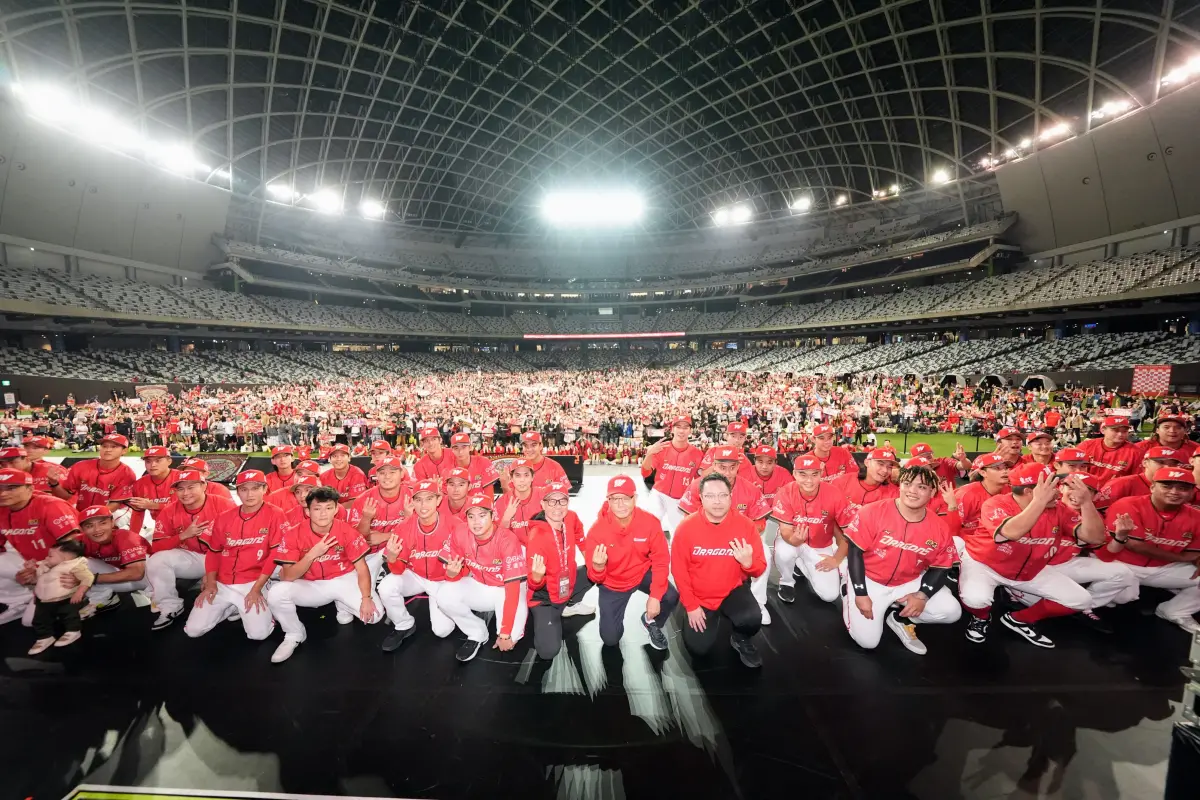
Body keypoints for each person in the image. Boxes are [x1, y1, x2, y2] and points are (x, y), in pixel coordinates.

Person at [959, 464, 1106, 648]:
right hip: (984, 564)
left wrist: (1087, 503)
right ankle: (981, 618)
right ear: (1031, 491)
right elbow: (1011, 532)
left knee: (1080, 600)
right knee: (976, 599)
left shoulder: (1058, 508)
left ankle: (1019, 619)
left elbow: (1096, 538)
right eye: (1052, 487)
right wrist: (1039, 502)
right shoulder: (997, 503)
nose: (1059, 492)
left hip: (1029, 569)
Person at [842, 464, 961, 655]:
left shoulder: (939, 527)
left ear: (933, 493)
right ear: (900, 486)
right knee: (868, 642)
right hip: (870, 579)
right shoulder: (872, 511)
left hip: (908, 580)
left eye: (921, 487)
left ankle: (901, 619)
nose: (912, 491)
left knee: (951, 611)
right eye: (907, 484)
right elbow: (854, 553)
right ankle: (847, 592)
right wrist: (860, 593)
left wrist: (922, 595)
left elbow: (941, 567)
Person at [1005, 474, 1137, 633]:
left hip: (1065, 564)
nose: (1078, 494)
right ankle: (1018, 602)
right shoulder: (1040, 508)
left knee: (1124, 575)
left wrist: (1121, 537)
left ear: (1094, 496)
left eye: (1087, 491)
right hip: (1034, 568)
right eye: (1071, 487)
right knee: (1036, 601)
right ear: (1060, 488)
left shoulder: (1093, 519)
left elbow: (1105, 556)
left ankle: (1084, 608)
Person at [267, 486, 383, 663]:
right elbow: (288, 576)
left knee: (375, 616)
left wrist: (366, 598)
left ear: (336, 509)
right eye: (317, 509)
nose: (323, 514)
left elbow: (361, 568)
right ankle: (294, 634)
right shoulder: (293, 534)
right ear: (307, 511)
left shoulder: (346, 531)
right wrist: (312, 554)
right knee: (277, 593)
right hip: (311, 585)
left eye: (329, 508)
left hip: (343, 579)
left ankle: (342, 604)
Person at [670, 473, 766, 668]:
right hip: (700, 596)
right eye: (710, 496)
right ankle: (696, 616)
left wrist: (748, 564)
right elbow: (679, 571)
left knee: (752, 618)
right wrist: (691, 606)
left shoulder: (746, 526)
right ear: (701, 498)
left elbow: (758, 569)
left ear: (731, 497)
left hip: (732, 590)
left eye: (723, 495)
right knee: (698, 649)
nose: (717, 502)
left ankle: (740, 639)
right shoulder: (686, 528)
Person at [184, 470, 284, 642]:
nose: (249, 494)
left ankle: (266, 611)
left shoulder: (275, 514)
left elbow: (274, 555)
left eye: (255, 488)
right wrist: (210, 582)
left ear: (265, 489)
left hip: (253, 580)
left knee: (258, 634)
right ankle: (231, 607)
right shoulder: (224, 517)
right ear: (237, 491)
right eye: (244, 489)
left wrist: (256, 589)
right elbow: (213, 552)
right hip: (223, 582)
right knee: (193, 630)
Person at [1101, 466, 1200, 633]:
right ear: (1152, 487)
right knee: (1121, 599)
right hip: (1123, 566)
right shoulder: (1128, 504)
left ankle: (1175, 611)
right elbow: (1134, 545)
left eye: (1183, 488)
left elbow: (1196, 552)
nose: (1174, 492)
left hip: (1164, 568)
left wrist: (1197, 558)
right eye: (1167, 486)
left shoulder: (1196, 517)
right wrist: (1185, 558)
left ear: (1192, 493)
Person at [678, 448, 771, 622]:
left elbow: (761, 522)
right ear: (713, 466)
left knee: (764, 553)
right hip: (707, 540)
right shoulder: (698, 485)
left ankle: (758, 601)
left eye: (732, 467)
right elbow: (687, 520)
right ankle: (692, 594)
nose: (727, 472)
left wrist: (741, 533)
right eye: (722, 467)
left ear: (738, 466)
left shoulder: (750, 489)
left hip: (741, 542)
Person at [584, 475, 677, 650]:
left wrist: (655, 596)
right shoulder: (597, 531)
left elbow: (661, 560)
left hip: (640, 573)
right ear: (608, 501)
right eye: (615, 499)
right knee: (610, 639)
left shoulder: (650, 523)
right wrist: (597, 567)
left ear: (635, 498)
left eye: (626, 498)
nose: (620, 504)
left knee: (670, 597)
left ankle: (651, 622)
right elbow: (595, 577)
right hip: (613, 584)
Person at [436, 494, 528, 662]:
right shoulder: (460, 532)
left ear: (493, 516)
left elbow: (513, 589)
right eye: (471, 516)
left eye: (482, 515)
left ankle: (505, 624)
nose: (476, 522)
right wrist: (450, 573)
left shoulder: (507, 539)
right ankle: (477, 632)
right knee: (444, 595)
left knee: (511, 637)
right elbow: (453, 578)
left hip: (506, 589)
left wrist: (505, 632)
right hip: (480, 585)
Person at [145, 469, 237, 630]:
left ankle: (234, 600)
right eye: (180, 489)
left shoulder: (223, 504)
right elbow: (156, 548)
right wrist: (182, 535)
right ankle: (170, 605)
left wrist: (212, 573)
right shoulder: (170, 510)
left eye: (191, 487)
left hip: (224, 558)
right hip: (194, 557)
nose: (185, 493)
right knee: (156, 561)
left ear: (204, 486)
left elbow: (239, 542)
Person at [377, 480, 458, 652]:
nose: (423, 504)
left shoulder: (454, 524)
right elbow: (398, 571)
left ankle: (462, 607)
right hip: (416, 576)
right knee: (386, 586)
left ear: (438, 500)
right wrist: (392, 558)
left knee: (442, 631)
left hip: (444, 580)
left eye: (429, 499)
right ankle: (403, 624)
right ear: (412, 502)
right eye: (418, 499)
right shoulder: (404, 527)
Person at [0, 467, 81, 626]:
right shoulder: (3, 509)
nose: (3, 493)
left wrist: (42, 570)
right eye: (0, 488)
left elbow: (75, 548)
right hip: (37, 562)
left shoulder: (51, 506)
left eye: (12, 487)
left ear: (30, 488)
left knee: (31, 621)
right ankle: (18, 600)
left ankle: (84, 597)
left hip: (70, 565)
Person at [525, 480, 594, 659]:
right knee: (548, 652)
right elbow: (533, 582)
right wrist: (537, 578)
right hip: (545, 596)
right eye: (551, 501)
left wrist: (586, 553)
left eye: (562, 501)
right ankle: (555, 611)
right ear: (543, 504)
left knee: (596, 567)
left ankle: (570, 604)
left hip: (566, 583)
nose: (557, 506)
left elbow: (579, 533)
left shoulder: (570, 517)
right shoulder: (537, 537)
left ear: (568, 502)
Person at [770, 454, 849, 604]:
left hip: (821, 545)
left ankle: (800, 564)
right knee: (784, 551)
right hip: (794, 540)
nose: (809, 480)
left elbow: (848, 533)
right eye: (803, 474)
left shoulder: (834, 494)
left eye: (814, 474)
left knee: (829, 596)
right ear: (794, 474)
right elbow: (786, 531)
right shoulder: (785, 492)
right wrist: (793, 540)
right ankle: (787, 581)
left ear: (821, 473)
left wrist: (836, 559)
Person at [348, 456, 412, 582]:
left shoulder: (412, 496)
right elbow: (355, 538)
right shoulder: (363, 499)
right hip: (369, 554)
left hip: (401, 550)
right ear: (377, 475)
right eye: (382, 473)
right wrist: (366, 519)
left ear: (402, 474)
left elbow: (421, 534)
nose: (387, 476)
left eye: (392, 472)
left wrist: (386, 536)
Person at [77, 505, 148, 617]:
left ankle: (163, 598)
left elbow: (137, 573)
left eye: (102, 523)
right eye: (89, 526)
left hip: (148, 579)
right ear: (82, 529)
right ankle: (102, 599)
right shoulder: (81, 540)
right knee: (77, 563)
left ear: (112, 522)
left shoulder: (126, 537)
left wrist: (92, 578)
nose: (97, 529)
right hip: (121, 576)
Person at [27, 538, 93, 654]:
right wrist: (31, 569)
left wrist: (79, 592)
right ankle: (44, 637)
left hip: (65, 598)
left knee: (69, 616)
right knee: (40, 619)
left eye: (50, 556)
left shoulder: (74, 565)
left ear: (65, 559)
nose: (46, 558)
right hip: (42, 599)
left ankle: (73, 631)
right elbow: (37, 579)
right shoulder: (46, 565)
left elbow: (88, 577)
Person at [640, 416, 703, 536]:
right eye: (678, 427)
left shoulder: (697, 454)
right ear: (672, 429)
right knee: (649, 526)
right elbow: (645, 472)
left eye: (685, 427)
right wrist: (649, 454)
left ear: (690, 430)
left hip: (680, 499)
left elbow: (700, 480)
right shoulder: (662, 448)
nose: (681, 431)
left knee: (678, 534)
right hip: (659, 494)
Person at [51, 433, 135, 512]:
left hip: (114, 513)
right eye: (104, 446)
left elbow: (115, 505)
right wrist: (54, 483)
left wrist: (89, 517)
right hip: (84, 512)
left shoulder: (127, 474)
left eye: (114, 447)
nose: (108, 450)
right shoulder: (80, 466)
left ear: (124, 451)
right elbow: (66, 496)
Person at [1095, 445, 1185, 512]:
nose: (1167, 467)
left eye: (1172, 464)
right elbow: (1096, 510)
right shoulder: (1121, 484)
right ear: (1145, 463)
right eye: (1160, 462)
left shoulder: (1180, 489)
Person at [119, 446, 179, 536]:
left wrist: (154, 505)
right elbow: (137, 513)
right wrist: (133, 536)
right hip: (162, 527)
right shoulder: (140, 484)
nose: (153, 465)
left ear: (169, 461)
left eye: (158, 460)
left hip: (189, 526)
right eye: (148, 461)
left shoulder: (181, 478)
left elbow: (188, 508)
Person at [494, 459, 547, 545]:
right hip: (514, 553)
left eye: (526, 475)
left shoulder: (544, 496)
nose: (522, 480)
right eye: (518, 475)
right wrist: (506, 519)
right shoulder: (501, 502)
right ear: (511, 478)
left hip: (541, 548)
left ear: (532, 477)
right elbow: (497, 539)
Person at [1078, 415, 1141, 486]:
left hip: (1116, 493)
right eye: (1115, 430)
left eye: (1124, 431)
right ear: (1103, 430)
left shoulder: (1135, 452)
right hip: (1085, 489)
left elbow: (1137, 480)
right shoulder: (1086, 446)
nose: (1120, 434)